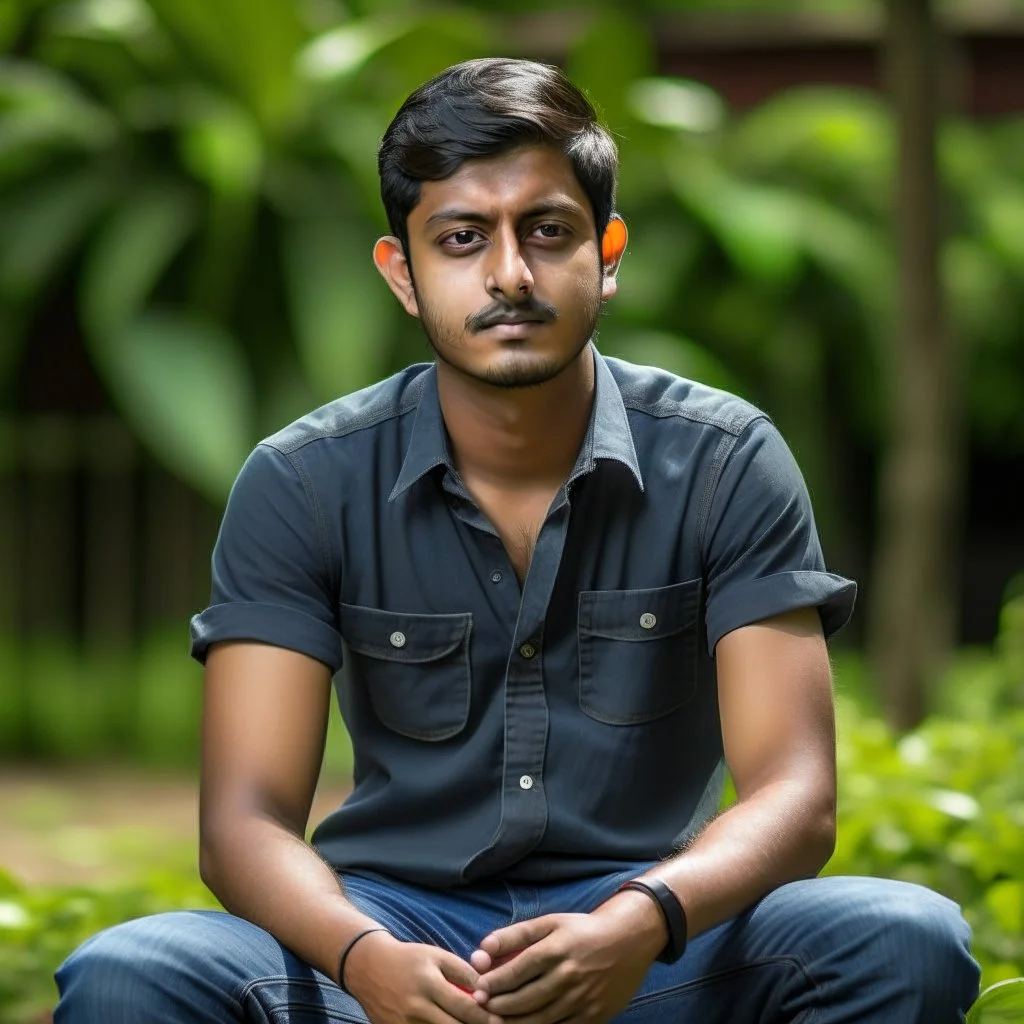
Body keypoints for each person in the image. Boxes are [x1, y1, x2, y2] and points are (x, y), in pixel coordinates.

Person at [54, 57, 979, 1024]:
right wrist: (363, 958)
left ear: (608, 253)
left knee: (901, 937)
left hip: (657, 950)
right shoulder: (304, 480)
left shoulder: (724, 460)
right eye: (461, 238)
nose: (510, 273)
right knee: (134, 972)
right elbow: (243, 823)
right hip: (386, 940)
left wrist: (646, 916)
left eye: (548, 231)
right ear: (401, 273)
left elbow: (796, 793)